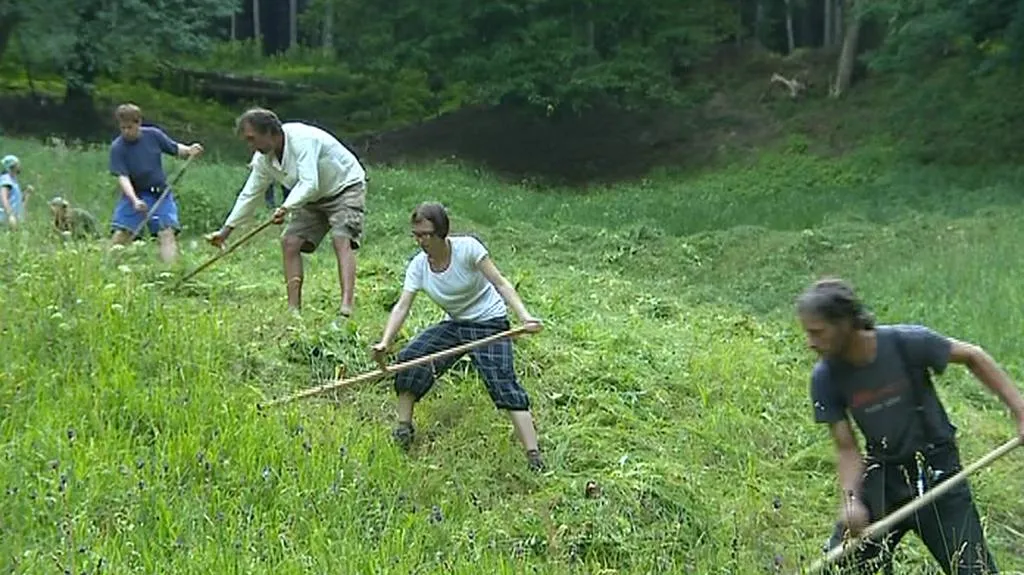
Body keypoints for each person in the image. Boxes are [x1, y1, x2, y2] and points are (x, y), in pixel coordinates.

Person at [796, 278, 1024, 574]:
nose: (810, 342)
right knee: (841, 568)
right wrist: (852, 501)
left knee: (973, 570)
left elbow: (973, 356)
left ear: (843, 323)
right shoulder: (825, 377)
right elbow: (847, 447)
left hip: (939, 475)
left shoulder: (907, 343)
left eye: (817, 332)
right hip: (883, 478)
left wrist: (1019, 410)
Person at [370, 202, 546, 471]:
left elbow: (501, 283)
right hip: (456, 323)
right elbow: (402, 306)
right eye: (415, 235)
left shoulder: (468, 249)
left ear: (441, 232)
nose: (420, 241)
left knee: (502, 380)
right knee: (412, 358)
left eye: (425, 234)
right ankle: (403, 428)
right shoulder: (419, 266)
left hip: (489, 323)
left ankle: (533, 455)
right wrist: (385, 341)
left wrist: (524, 317)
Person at [205, 108, 367, 319]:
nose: (251, 146)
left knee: (341, 238)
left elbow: (309, 182)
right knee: (290, 242)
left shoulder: (302, 140)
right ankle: (293, 311)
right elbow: (250, 194)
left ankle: (346, 308)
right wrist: (226, 231)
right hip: (310, 198)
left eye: (252, 139)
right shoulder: (263, 159)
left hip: (344, 187)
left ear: (270, 132)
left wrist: (285, 208)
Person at [108, 103, 204, 263]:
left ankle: (170, 271)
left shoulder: (153, 135)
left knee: (166, 232)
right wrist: (135, 200)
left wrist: (189, 150)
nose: (126, 131)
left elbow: (174, 148)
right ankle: (107, 266)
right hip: (135, 194)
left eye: (129, 127)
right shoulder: (118, 147)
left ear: (138, 123)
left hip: (160, 194)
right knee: (123, 233)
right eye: (122, 127)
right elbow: (123, 177)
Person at [0, 155, 32, 229]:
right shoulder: (6, 180)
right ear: (13, 166)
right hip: (7, 220)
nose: (20, 166)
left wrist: (26, 193)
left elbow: (15, 199)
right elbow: (3, 198)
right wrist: (10, 215)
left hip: (15, 218)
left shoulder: (12, 180)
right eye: (18, 164)